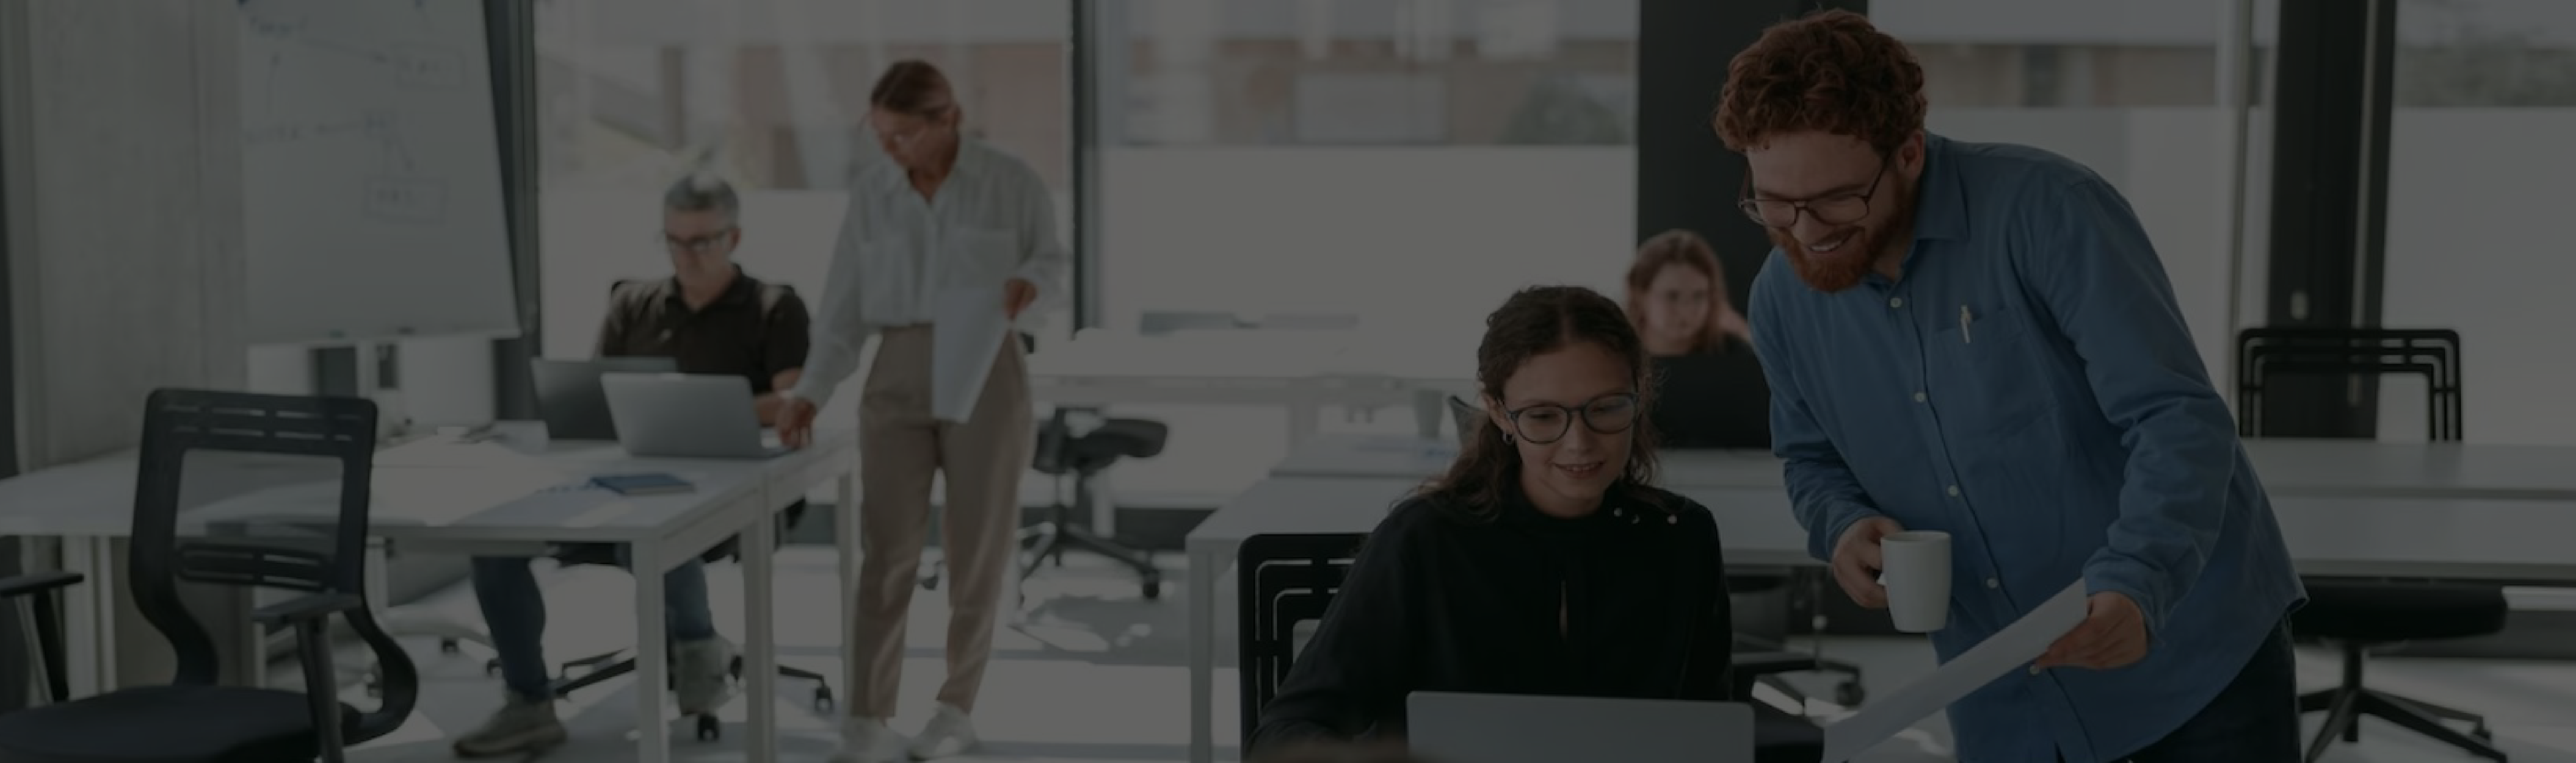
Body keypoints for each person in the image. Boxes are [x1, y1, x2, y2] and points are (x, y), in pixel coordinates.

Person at [1720, 11, 2304, 763]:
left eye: (1835, 199)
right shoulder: (1780, 299)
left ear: (1907, 151)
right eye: (1773, 203)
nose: (1805, 231)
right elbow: (1809, 459)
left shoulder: (2046, 209)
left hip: (2186, 663)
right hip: (2003, 700)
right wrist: (1839, 525)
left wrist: (2137, 581)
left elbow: (2175, 418)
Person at [1247, 286, 1735, 755]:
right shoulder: (1423, 541)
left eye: (1606, 408)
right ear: (1500, 413)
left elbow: (1707, 731)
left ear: (1640, 393)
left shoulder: (1684, 539)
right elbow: (1283, 736)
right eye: (1543, 417)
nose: (1579, 444)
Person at [453, 174, 812, 758]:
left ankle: (697, 647)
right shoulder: (634, 301)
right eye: (673, 241)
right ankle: (529, 700)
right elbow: (600, 393)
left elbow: (792, 397)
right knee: (495, 543)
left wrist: (705, 406)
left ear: (734, 237)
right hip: (625, 473)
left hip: (726, 484)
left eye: (701, 242)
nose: (686, 256)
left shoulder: (774, 306)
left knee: (659, 534)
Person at [775, 59, 1066, 763]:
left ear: (948, 120)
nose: (889, 148)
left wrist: (1032, 284)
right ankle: (868, 716)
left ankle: (954, 708)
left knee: (976, 552)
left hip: (986, 363)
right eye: (879, 134)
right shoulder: (872, 192)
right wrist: (812, 387)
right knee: (887, 552)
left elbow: (1053, 264)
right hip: (896, 366)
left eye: (903, 134)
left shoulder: (1009, 181)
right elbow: (842, 304)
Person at [1626, 229, 1753, 356]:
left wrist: (1744, 332)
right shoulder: (1616, 353)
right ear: (1640, 295)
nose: (1686, 310)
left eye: (1699, 296)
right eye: (1672, 296)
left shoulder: (1730, 352)